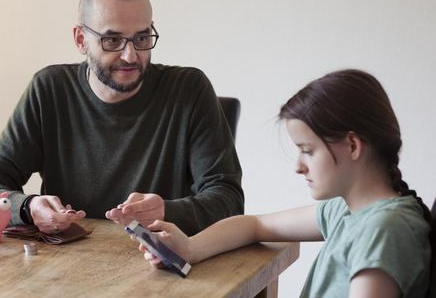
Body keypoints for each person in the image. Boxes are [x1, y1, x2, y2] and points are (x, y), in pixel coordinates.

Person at [0, 0, 244, 236]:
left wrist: (168, 211)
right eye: (112, 40)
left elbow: (229, 200)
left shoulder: (188, 90)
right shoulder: (49, 89)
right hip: (64, 269)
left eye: (142, 38)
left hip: (159, 265)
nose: (130, 56)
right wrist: (27, 208)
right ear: (80, 39)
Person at [138, 69, 432, 297]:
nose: (298, 166)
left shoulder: (384, 231)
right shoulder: (346, 212)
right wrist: (190, 248)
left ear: (353, 145)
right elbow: (253, 226)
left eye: (307, 150)